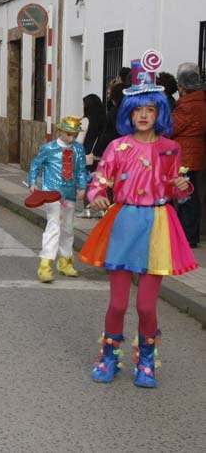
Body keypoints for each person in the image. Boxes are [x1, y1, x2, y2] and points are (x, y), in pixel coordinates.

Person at [79, 52, 197, 388]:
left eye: (151, 110)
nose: (144, 116)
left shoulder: (171, 149)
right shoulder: (117, 148)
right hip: (125, 221)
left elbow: (181, 190)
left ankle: (147, 361)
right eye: (139, 111)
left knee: (146, 306)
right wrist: (97, 195)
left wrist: (182, 186)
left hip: (159, 224)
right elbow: (99, 181)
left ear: (159, 113)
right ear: (130, 113)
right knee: (117, 302)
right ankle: (109, 355)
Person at [28, 116, 88, 283]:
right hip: (52, 193)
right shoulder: (49, 148)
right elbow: (35, 164)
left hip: (69, 194)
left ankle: (65, 261)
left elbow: (82, 169)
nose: (70, 138)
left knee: (68, 228)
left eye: (74, 135)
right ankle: (45, 265)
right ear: (60, 131)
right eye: (67, 133)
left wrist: (82, 186)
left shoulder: (78, 150)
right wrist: (33, 182)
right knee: (54, 226)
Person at [172, 62, 206, 248]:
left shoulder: (186, 106)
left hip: (185, 156)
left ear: (183, 87)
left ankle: (187, 236)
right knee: (192, 197)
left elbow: (172, 128)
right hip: (195, 154)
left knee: (185, 198)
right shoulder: (200, 102)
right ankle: (191, 235)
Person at [76, 94, 107, 218]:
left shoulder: (86, 120)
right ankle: (101, 210)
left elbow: (80, 140)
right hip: (101, 155)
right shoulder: (105, 119)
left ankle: (87, 209)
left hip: (87, 155)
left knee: (86, 182)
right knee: (100, 182)